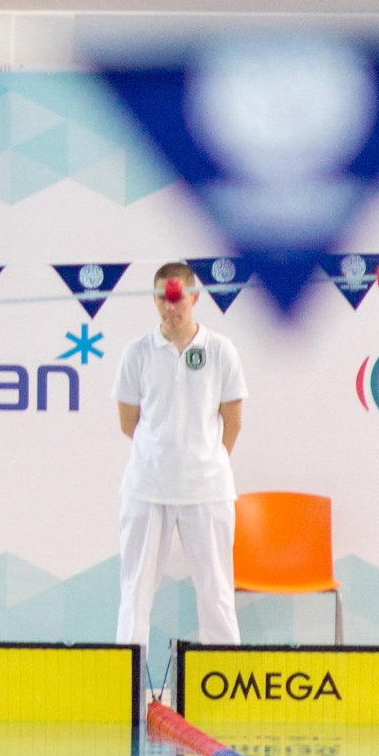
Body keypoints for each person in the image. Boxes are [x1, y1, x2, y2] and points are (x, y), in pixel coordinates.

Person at [113, 261, 248, 657]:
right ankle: (128, 684)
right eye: (162, 299)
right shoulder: (136, 353)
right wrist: (163, 458)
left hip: (207, 490)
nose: (170, 308)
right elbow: (128, 424)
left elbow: (233, 423)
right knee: (135, 591)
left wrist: (202, 464)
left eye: (176, 299)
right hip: (146, 488)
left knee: (216, 593)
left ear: (194, 297)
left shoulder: (221, 350)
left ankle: (225, 684)